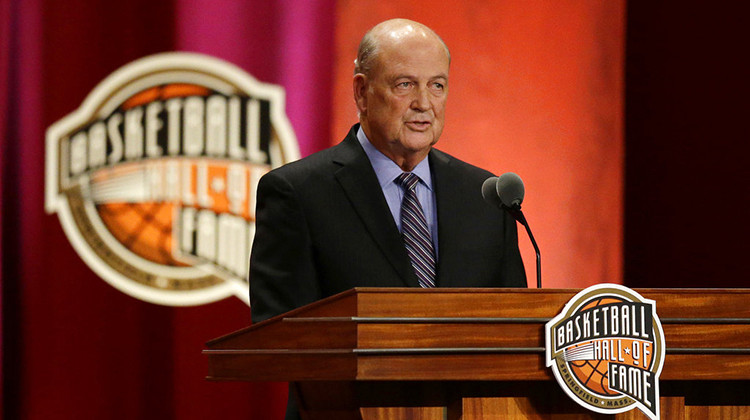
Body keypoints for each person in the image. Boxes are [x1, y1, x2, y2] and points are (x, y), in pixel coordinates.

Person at [248, 18, 527, 419]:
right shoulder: (299, 193)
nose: (424, 103)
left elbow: (514, 329)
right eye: (404, 85)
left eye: (437, 85)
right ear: (361, 92)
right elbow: (278, 333)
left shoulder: (485, 195)